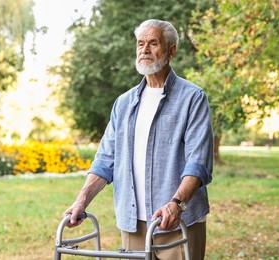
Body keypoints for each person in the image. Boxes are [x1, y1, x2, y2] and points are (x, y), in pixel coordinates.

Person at [63, 19, 213, 260]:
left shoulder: (192, 98)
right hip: (132, 223)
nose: (144, 50)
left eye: (153, 43)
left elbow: (198, 163)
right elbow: (105, 161)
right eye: (140, 43)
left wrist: (177, 204)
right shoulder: (123, 104)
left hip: (177, 221)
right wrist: (81, 201)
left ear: (171, 50)